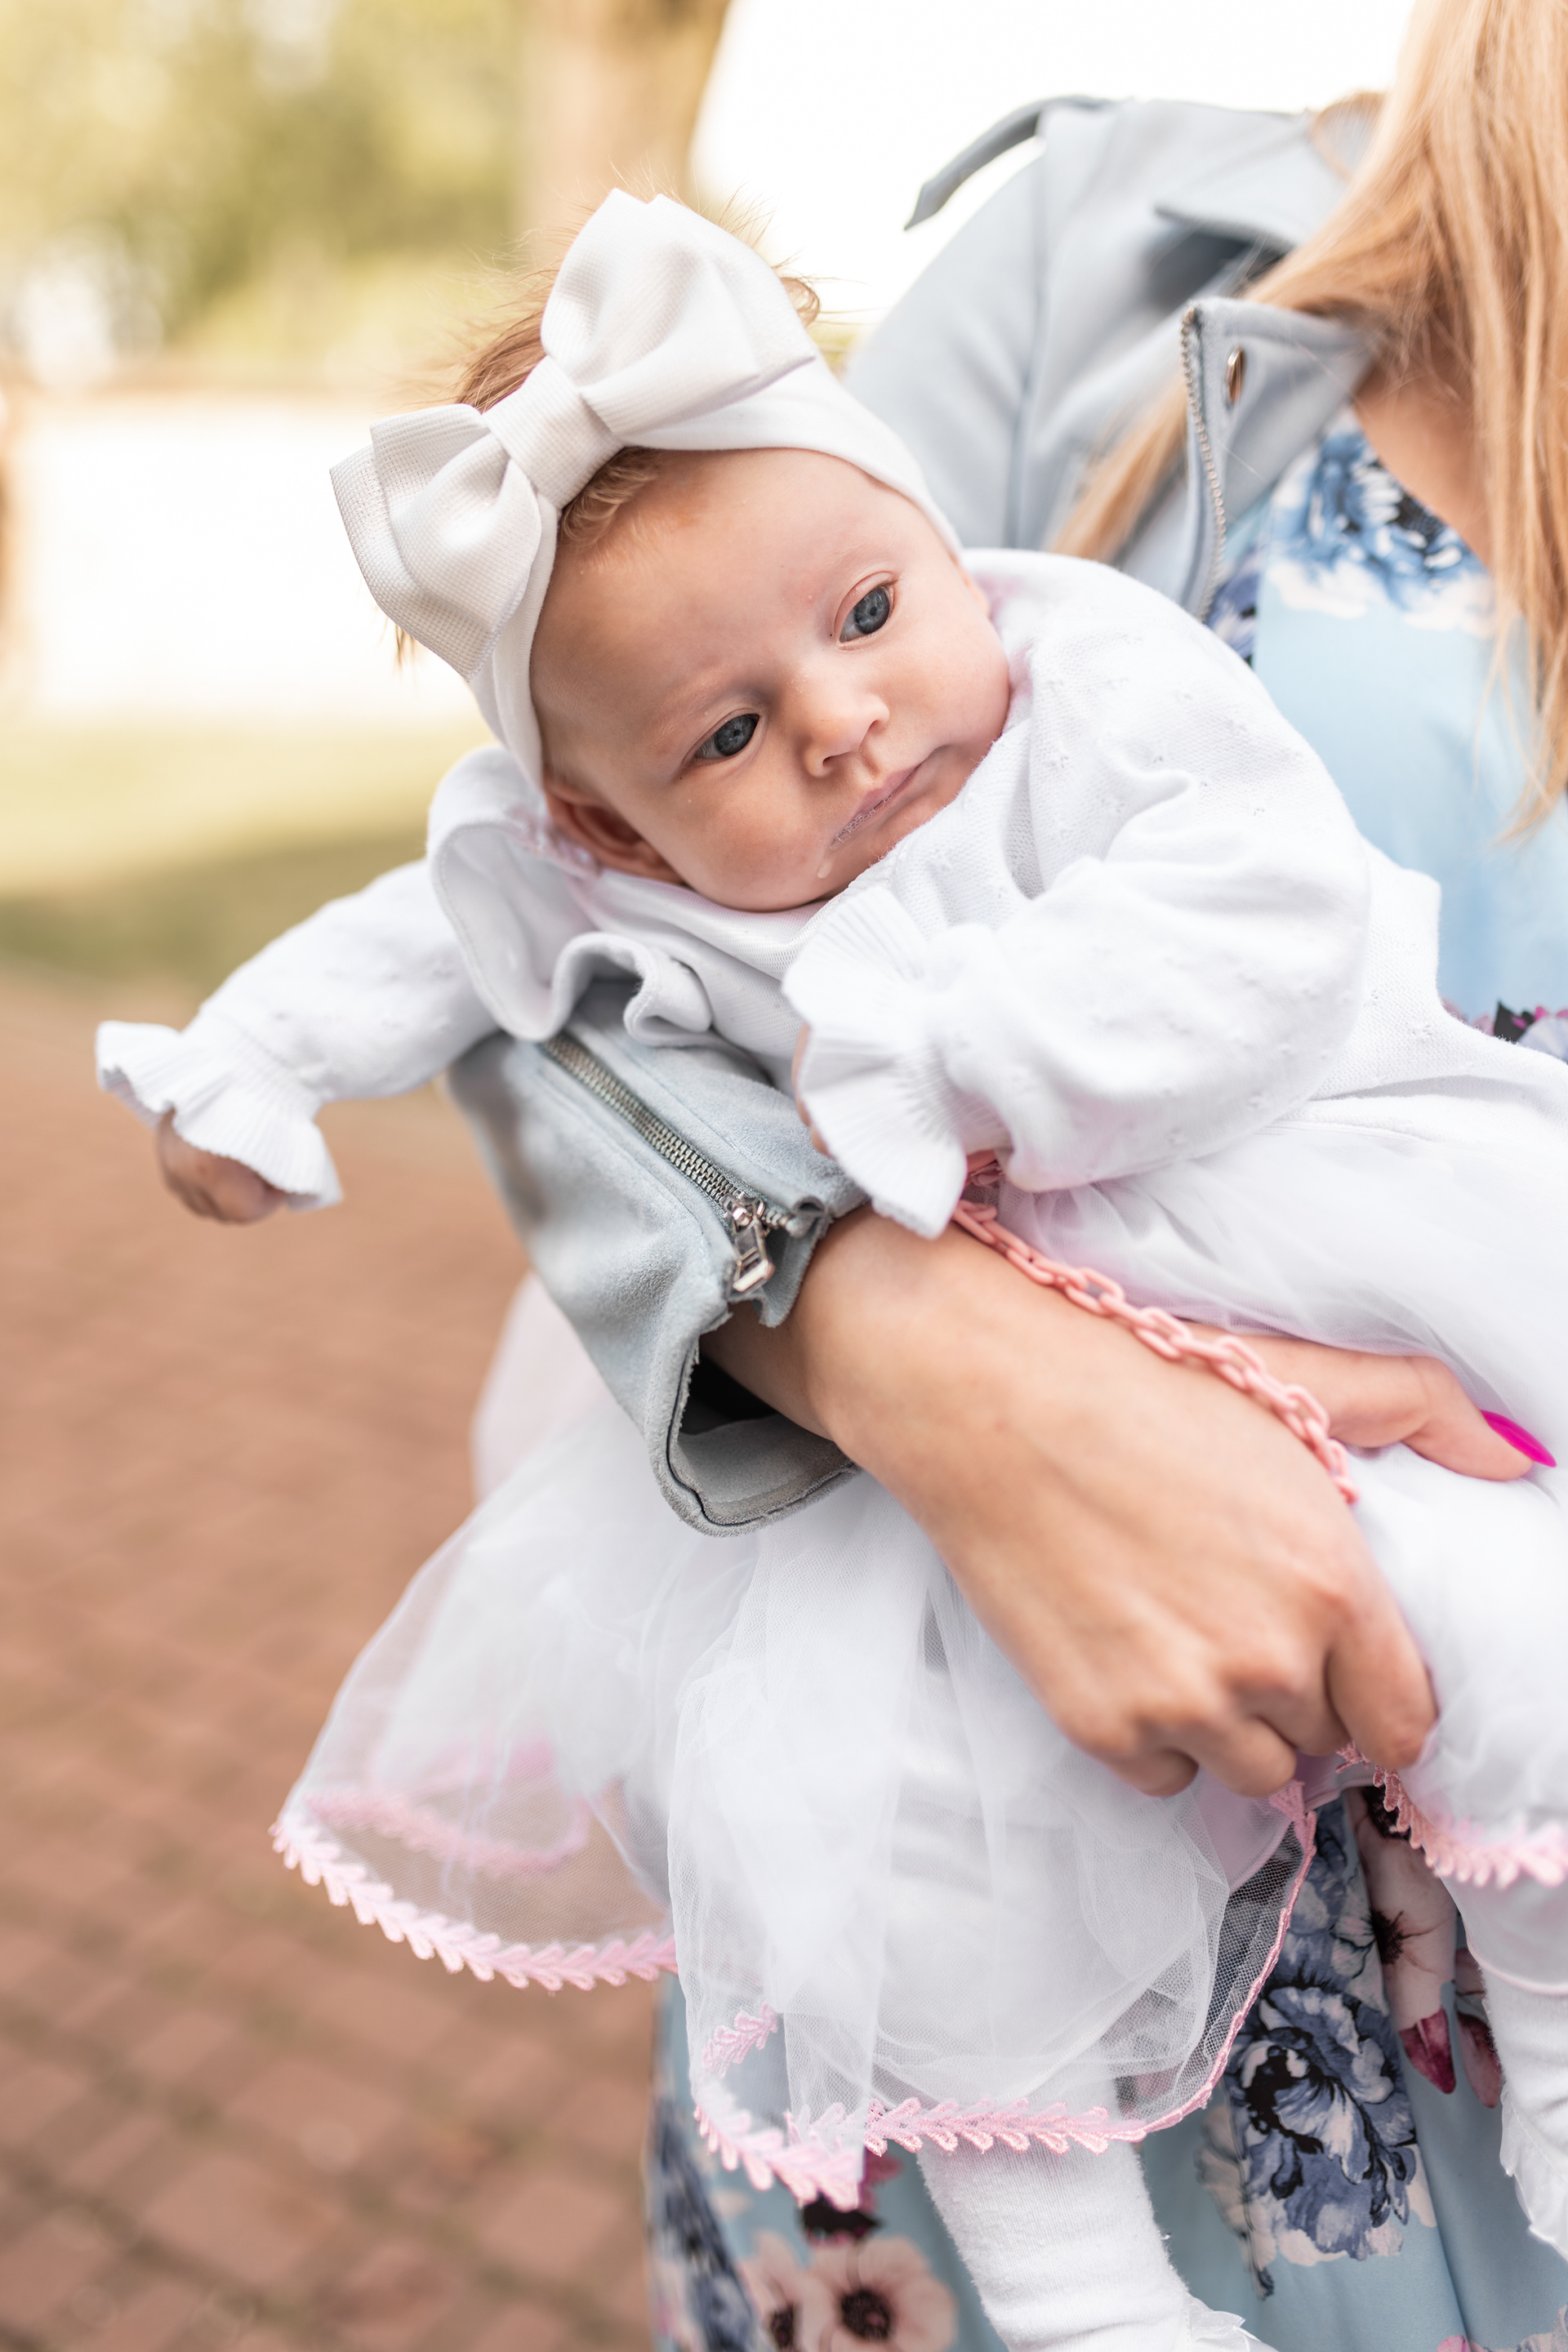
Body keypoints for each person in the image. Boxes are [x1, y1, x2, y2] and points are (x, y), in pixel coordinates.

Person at [97, 172, 1568, 2352]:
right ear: (602, 824)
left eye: (870, 615)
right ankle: (1082, 2297)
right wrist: (247, 1068)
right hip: (927, 1468)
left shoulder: (1083, 673)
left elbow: (1265, 904)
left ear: (933, 544)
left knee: (1518, 1623)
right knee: (880, 1835)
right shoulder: (1085, 251)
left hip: (1324, 1262)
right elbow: (448, 958)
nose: (840, 721)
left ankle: (1556, 2039)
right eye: (724, 733)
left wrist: (967, 1061)